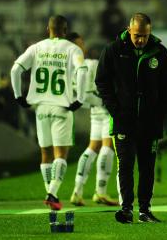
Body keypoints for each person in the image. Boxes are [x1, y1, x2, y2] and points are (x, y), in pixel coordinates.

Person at [95, 13, 167, 223]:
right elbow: (101, 81)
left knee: (147, 167)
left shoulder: (160, 53)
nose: (141, 40)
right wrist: (115, 110)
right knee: (126, 165)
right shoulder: (113, 50)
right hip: (123, 120)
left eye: (145, 36)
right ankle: (126, 208)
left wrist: (159, 115)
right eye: (137, 35)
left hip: (150, 122)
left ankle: (145, 210)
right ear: (129, 30)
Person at [10, 15, 87, 210]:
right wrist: (80, 99)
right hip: (62, 106)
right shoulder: (72, 49)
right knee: (61, 154)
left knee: (45, 154)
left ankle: (50, 194)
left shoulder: (36, 48)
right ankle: (52, 193)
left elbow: (15, 70)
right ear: (65, 30)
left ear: (48, 29)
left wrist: (19, 96)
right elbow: (83, 72)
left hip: (40, 108)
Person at [66, 32, 118, 206]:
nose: (83, 47)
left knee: (92, 147)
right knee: (108, 146)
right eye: (80, 44)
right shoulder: (90, 64)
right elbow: (106, 85)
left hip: (93, 110)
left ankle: (77, 191)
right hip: (104, 108)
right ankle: (101, 192)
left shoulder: (67, 68)